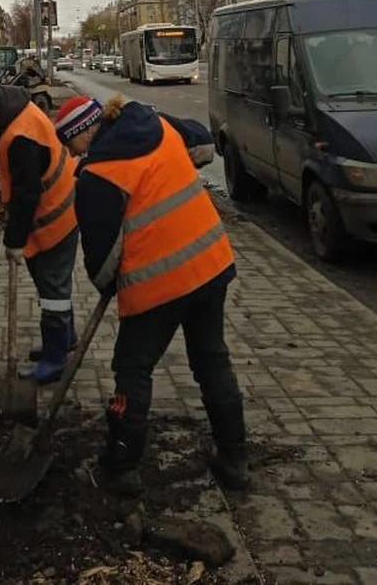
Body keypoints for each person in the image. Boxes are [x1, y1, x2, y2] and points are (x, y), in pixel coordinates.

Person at [57, 93, 247, 495]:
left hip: (158, 283)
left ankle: (121, 467)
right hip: (210, 262)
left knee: (133, 368)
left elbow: (102, 263)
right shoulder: (154, 125)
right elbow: (203, 148)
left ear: (81, 134)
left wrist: (112, 286)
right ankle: (234, 460)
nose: (69, 156)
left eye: (67, 144)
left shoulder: (97, 176)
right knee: (211, 359)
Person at [0, 83, 79, 384]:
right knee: (52, 283)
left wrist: (15, 240)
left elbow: (27, 195)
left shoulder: (21, 137)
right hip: (55, 209)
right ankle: (65, 338)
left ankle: (55, 359)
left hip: (56, 218)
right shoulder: (12, 113)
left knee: (53, 289)